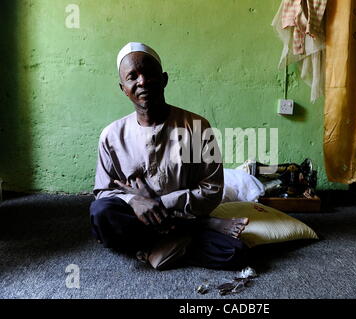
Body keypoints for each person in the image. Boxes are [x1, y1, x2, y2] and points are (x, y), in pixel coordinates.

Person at [90, 42, 249, 270]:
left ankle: (150, 248)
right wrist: (135, 201)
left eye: (148, 73)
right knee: (101, 213)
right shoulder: (111, 135)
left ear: (164, 79)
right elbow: (103, 191)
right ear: (123, 88)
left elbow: (213, 190)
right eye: (132, 77)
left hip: (183, 214)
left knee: (235, 253)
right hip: (139, 217)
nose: (142, 81)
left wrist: (158, 203)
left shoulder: (197, 127)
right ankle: (186, 234)